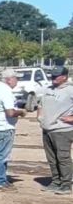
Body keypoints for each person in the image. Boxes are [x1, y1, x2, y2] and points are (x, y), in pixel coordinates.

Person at [0, 68, 26, 191]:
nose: (17, 81)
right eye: (16, 78)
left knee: (0, 154)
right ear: (9, 80)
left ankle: (1, 179)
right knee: (2, 155)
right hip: (4, 127)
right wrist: (21, 112)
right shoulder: (6, 91)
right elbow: (10, 112)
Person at [37, 65, 73, 195]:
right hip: (47, 129)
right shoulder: (47, 89)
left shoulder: (70, 90)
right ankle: (55, 182)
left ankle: (66, 185)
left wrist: (71, 118)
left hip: (63, 130)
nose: (53, 78)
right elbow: (40, 104)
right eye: (52, 75)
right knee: (52, 159)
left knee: (63, 158)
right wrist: (40, 117)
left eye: (57, 76)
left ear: (64, 77)